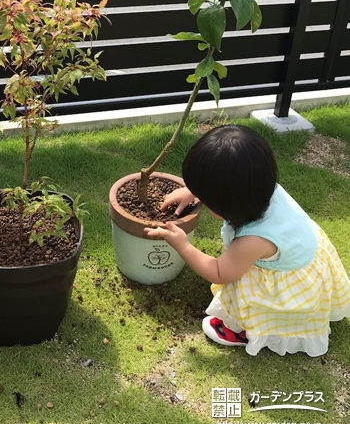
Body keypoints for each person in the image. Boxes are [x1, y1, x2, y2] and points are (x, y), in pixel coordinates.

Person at [145, 125, 350, 356]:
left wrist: (183, 245)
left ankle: (246, 330)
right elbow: (228, 182)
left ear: (227, 203)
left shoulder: (252, 241)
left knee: (247, 289)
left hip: (289, 283)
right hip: (305, 250)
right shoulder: (259, 188)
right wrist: (194, 191)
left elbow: (220, 272)